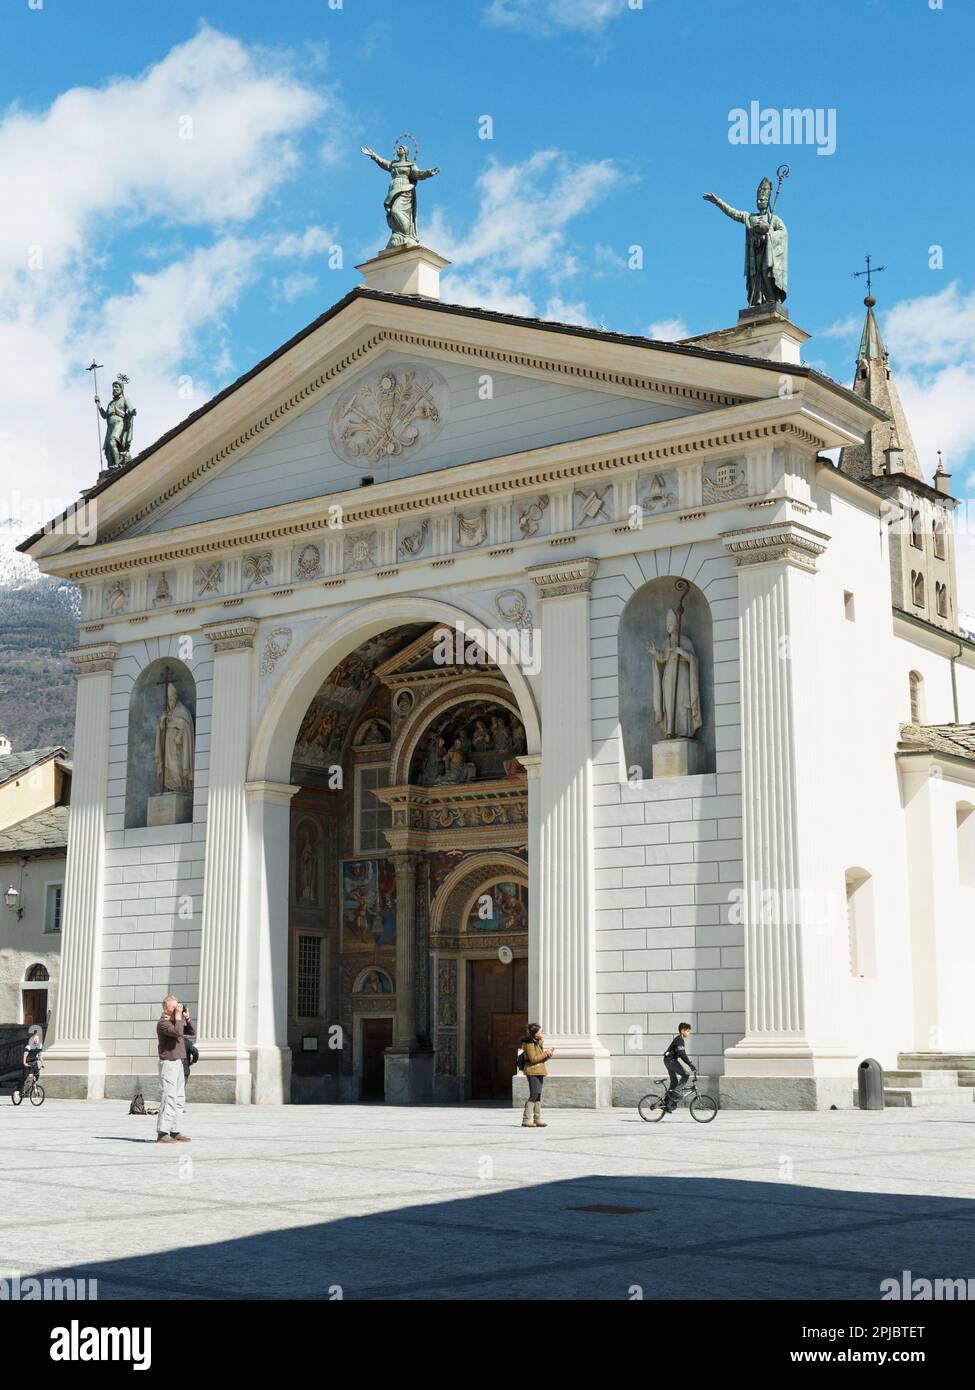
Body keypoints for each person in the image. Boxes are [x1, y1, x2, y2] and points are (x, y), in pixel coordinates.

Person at [156, 995, 195, 1143]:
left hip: (178, 1062)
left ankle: (174, 1130)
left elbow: (191, 1032)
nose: (176, 1009)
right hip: (168, 1063)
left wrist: (187, 1018)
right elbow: (178, 1032)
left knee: (179, 1098)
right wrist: (178, 1017)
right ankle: (162, 1132)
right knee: (169, 1097)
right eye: (173, 1007)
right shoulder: (163, 1024)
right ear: (166, 1008)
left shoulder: (175, 1022)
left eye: (177, 1006)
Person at [520, 1023, 555, 1128]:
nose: (542, 1033)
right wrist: (545, 1053)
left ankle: (537, 1119)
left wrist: (548, 1055)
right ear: (535, 1033)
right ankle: (526, 1120)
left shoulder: (538, 1042)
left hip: (539, 1070)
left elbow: (539, 1058)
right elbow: (533, 1059)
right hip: (532, 1071)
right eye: (541, 1031)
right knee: (534, 1094)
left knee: (538, 1095)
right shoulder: (529, 1044)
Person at [663, 1022, 698, 1112]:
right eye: (688, 1031)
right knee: (686, 1075)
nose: (689, 1033)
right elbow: (682, 1054)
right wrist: (691, 1065)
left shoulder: (679, 1039)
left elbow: (681, 1054)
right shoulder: (679, 1040)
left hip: (668, 1060)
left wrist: (690, 1064)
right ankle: (676, 1094)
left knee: (674, 1082)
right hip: (670, 1061)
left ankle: (666, 1103)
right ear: (682, 1031)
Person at [19, 1031, 43, 1099]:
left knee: (37, 1074)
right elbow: (25, 1056)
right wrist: (24, 1063)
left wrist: (43, 1064)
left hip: (34, 1062)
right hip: (27, 1062)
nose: (36, 1040)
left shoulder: (39, 1046)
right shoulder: (28, 1046)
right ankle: (20, 1090)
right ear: (32, 1039)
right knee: (25, 1076)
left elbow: (40, 1056)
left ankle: (33, 1085)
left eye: (37, 1039)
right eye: (35, 1039)